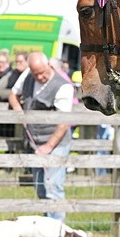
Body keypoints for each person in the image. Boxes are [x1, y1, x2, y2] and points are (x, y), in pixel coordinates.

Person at [8, 51, 74, 222]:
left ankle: (58, 228)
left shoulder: (63, 86)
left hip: (55, 143)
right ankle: (48, 224)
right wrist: (19, 113)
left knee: (53, 186)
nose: (40, 76)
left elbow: (63, 122)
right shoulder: (27, 76)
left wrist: (48, 147)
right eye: (36, 73)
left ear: (49, 66)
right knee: (40, 187)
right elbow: (13, 95)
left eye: (43, 72)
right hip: (34, 141)